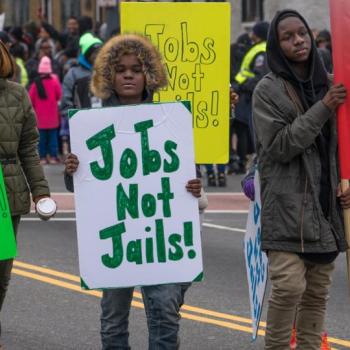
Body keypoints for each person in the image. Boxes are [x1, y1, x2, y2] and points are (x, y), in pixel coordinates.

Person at [64, 33, 203, 350]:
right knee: (113, 318)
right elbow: (82, 188)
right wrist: (73, 169)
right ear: (109, 76)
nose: (128, 75)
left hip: (158, 236)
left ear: (149, 76)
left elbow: (183, 178)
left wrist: (194, 186)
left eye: (136, 69)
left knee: (166, 311)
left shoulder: (170, 122)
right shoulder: (92, 124)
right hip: (116, 240)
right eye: (121, 69)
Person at [252, 9, 350, 349]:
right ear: (276, 46)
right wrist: (323, 107)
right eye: (288, 37)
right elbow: (280, 145)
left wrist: (345, 184)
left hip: (325, 215)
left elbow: (341, 150)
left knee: (316, 296)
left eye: (303, 34)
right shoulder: (268, 89)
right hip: (287, 212)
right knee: (290, 287)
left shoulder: (330, 83)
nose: (299, 41)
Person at [0, 41, 51, 348]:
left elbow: (28, 150)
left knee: (2, 272)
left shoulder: (17, 95)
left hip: (7, 193)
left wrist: (41, 192)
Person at [232, 21, 270, 174]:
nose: (250, 34)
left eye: (253, 31)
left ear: (258, 34)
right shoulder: (260, 48)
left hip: (250, 96)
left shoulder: (262, 51)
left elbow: (260, 77)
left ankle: (251, 163)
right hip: (247, 95)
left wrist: (240, 86)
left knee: (247, 130)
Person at [29, 56, 62, 164]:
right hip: (53, 117)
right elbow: (59, 95)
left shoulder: (35, 84)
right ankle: (53, 157)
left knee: (41, 139)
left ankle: (42, 157)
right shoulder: (54, 82)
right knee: (53, 139)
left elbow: (31, 99)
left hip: (40, 118)